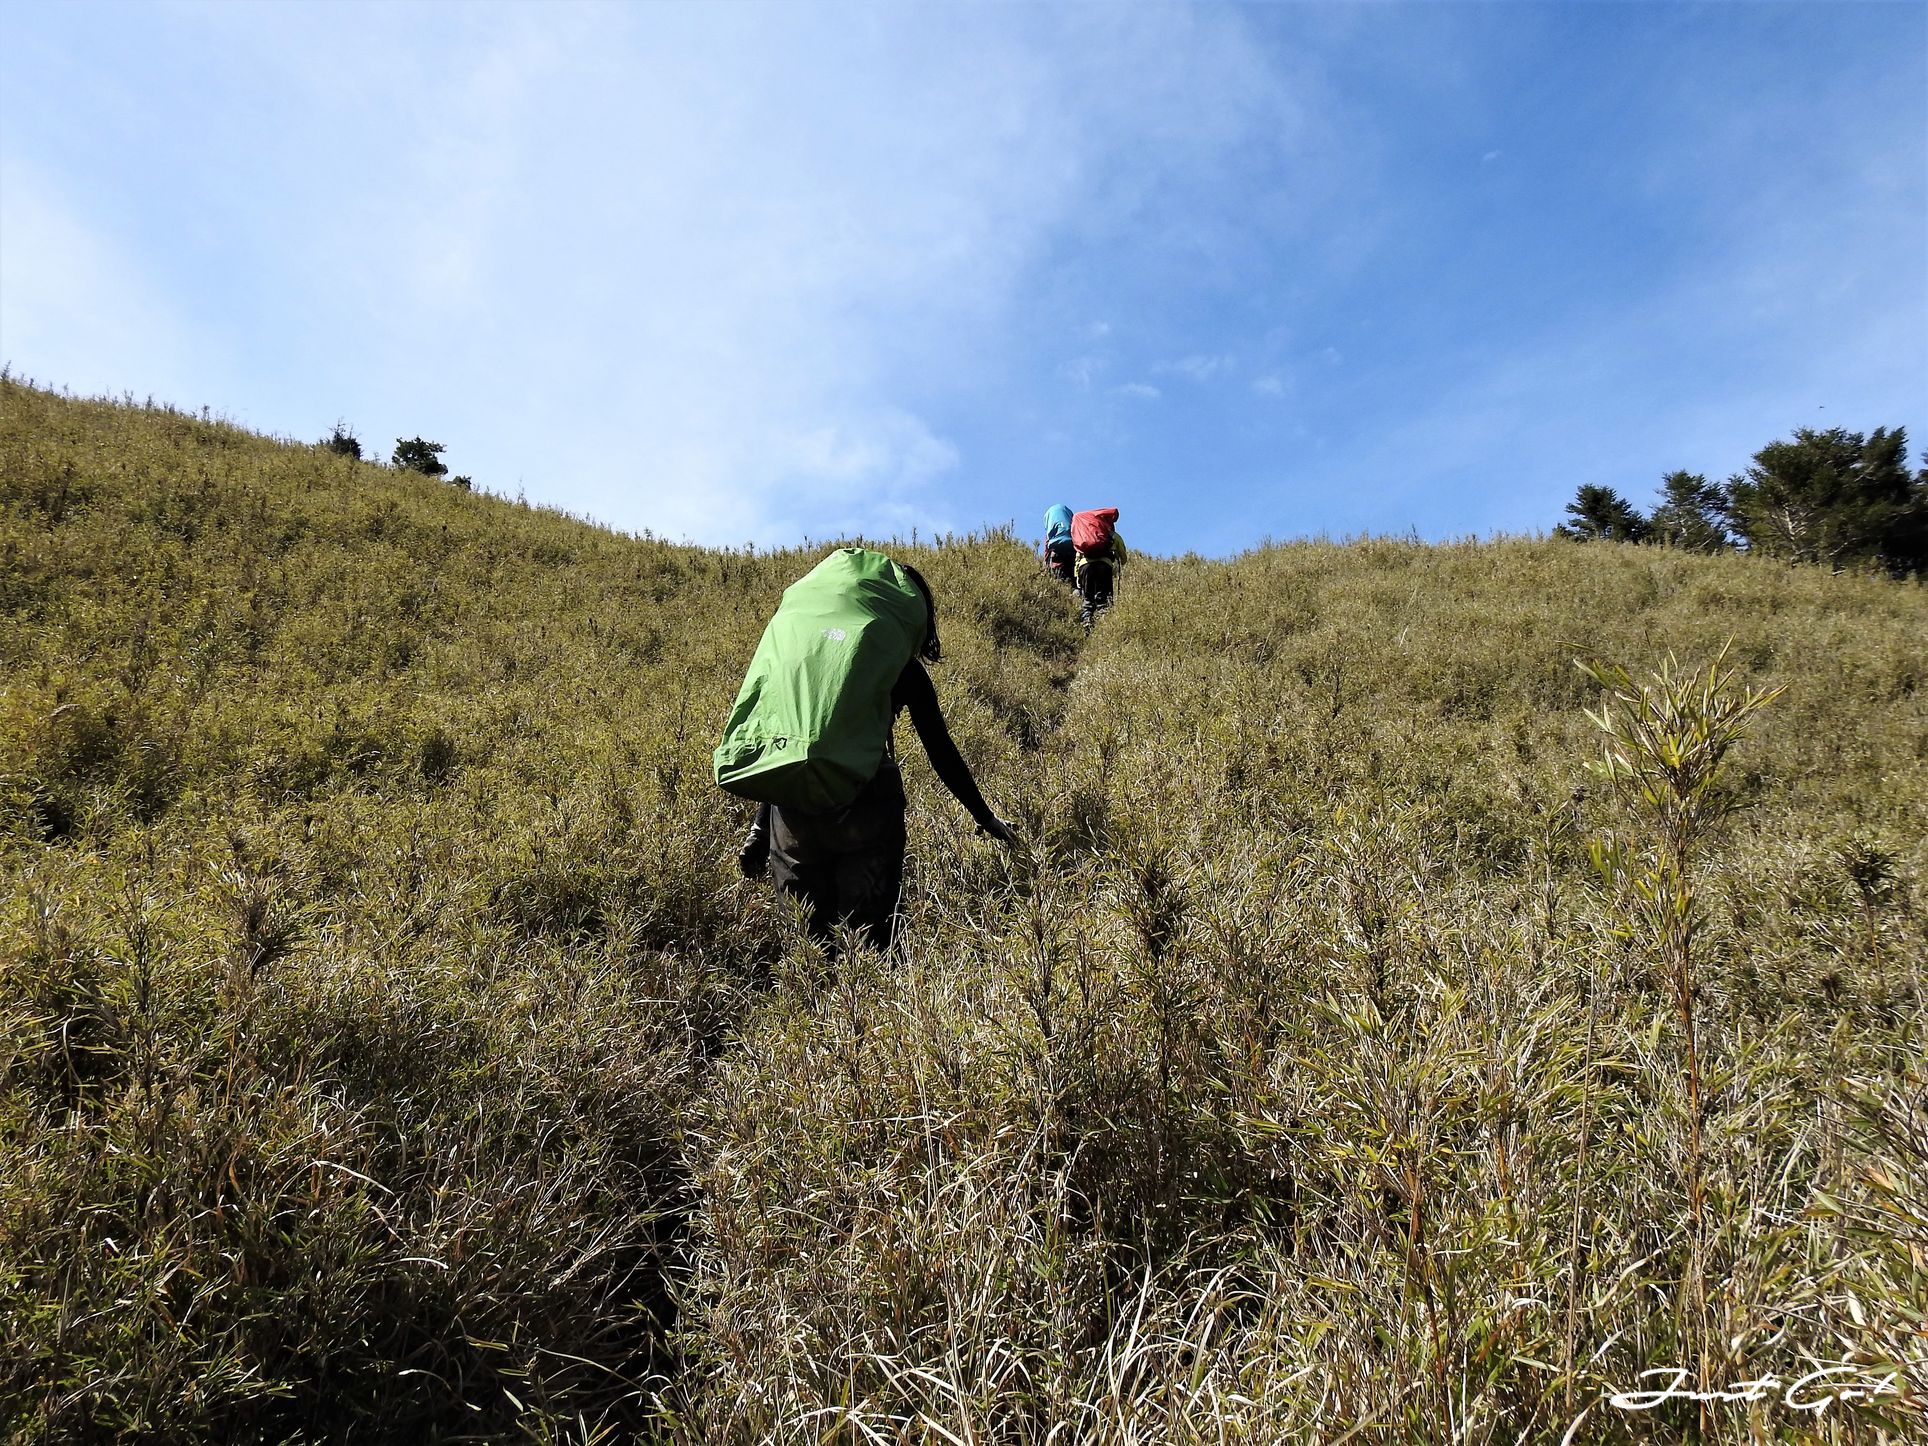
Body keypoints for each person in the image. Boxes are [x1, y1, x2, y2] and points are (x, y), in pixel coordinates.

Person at [736, 565, 1016, 952]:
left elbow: (794, 743)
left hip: (791, 814)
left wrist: (758, 827)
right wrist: (984, 816)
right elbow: (939, 748)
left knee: (809, 952)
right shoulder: (900, 664)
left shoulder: (803, 651)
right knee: (868, 949)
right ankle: (864, 1011)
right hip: (868, 805)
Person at [1075, 525, 1126, 630]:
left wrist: (1077, 577)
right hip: (1104, 566)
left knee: (1087, 598)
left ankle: (1086, 622)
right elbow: (1123, 558)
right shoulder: (1113, 536)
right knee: (1103, 599)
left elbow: (1077, 556)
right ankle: (1104, 626)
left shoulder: (1085, 536)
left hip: (1085, 566)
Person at [1041, 503, 1077, 584]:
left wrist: (1045, 566)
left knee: (1059, 579)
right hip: (1071, 549)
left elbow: (1047, 549)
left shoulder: (1051, 532)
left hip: (1056, 551)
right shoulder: (1070, 525)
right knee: (1071, 578)